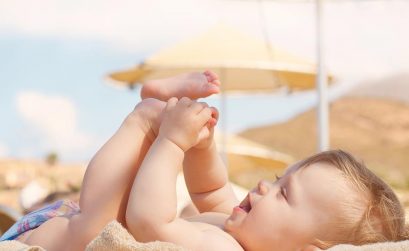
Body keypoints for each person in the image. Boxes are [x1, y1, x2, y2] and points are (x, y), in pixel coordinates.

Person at [0, 71, 407, 251]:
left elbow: (150, 222)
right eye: (279, 177)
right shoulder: (236, 228)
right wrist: (202, 146)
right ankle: (158, 110)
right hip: (64, 219)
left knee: (92, 228)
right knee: (99, 216)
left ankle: (147, 116)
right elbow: (209, 189)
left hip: (51, 238)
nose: (265, 186)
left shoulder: (224, 248)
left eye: (285, 194)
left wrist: (173, 143)